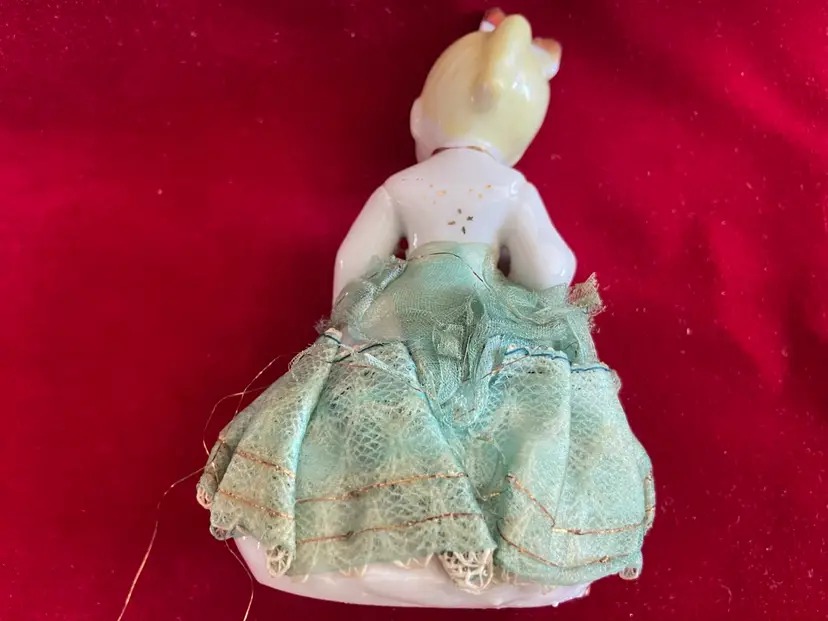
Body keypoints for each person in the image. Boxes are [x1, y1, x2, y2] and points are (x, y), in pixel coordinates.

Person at [198, 11, 654, 608]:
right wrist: (534, 309)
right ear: (519, 137)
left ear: (420, 114)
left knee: (380, 409)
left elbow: (354, 258)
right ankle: (497, 543)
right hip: (485, 318)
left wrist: (348, 326)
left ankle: (375, 532)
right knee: (504, 413)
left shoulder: (404, 184)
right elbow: (552, 265)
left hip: (400, 310)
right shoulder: (511, 188)